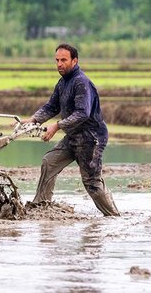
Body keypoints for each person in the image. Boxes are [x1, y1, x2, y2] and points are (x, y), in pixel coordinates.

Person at [22, 43, 120, 216]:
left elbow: (82, 113)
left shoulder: (81, 82)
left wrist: (57, 126)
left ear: (74, 61)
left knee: (92, 183)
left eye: (64, 60)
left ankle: (114, 216)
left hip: (91, 138)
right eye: (57, 60)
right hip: (73, 136)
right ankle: (41, 207)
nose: (59, 64)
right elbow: (51, 107)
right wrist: (33, 120)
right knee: (49, 161)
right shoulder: (62, 83)